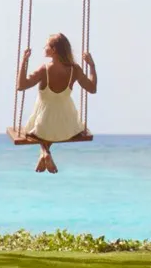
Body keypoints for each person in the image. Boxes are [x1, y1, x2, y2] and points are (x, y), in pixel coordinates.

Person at [16, 32, 97, 173]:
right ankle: (44, 153)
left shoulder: (44, 70)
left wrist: (24, 61)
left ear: (53, 50)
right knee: (52, 126)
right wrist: (92, 66)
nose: (44, 47)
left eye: (46, 45)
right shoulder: (75, 69)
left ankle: (45, 152)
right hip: (67, 127)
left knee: (35, 131)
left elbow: (21, 86)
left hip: (43, 126)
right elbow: (92, 88)